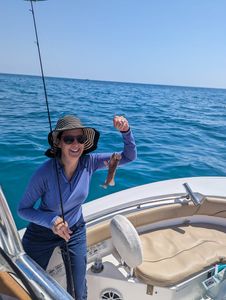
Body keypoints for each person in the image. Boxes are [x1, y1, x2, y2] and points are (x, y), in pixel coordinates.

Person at [17, 114, 136, 300]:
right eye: (68, 139)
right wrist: (51, 220)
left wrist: (126, 132)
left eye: (80, 139)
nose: (75, 144)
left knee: (79, 291)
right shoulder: (44, 173)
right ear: (59, 143)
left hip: (75, 230)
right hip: (41, 232)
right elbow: (23, 209)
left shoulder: (90, 162)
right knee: (24, 282)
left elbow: (129, 156)